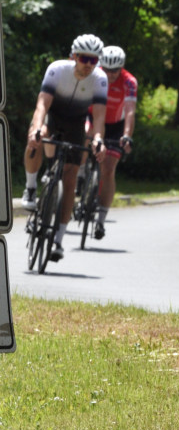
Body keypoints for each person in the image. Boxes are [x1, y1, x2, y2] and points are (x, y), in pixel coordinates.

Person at [23, 34, 109, 263]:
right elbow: (42, 104)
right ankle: (31, 187)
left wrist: (98, 138)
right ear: (74, 56)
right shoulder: (57, 69)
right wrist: (37, 128)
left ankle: (58, 240)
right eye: (84, 58)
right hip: (53, 116)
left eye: (93, 60)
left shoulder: (100, 79)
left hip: (76, 123)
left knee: (70, 179)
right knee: (36, 137)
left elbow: (99, 116)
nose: (88, 64)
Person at [90, 45, 137, 240]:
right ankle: (82, 173)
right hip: (93, 119)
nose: (110, 74)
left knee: (108, 170)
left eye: (115, 70)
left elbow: (130, 110)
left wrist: (126, 135)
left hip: (116, 125)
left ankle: (101, 220)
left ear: (121, 67)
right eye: (107, 69)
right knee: (82, 141)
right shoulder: (94, 74)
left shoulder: (129, 82)